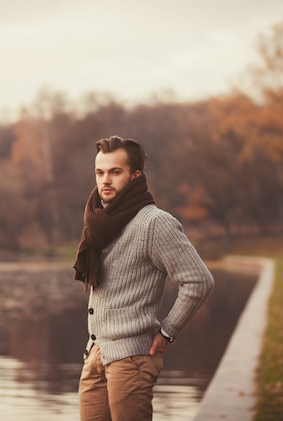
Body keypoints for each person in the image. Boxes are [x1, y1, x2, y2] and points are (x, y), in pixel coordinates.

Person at [73, 135, 214, 421]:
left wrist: (166, 333)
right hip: (96, 353)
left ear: (136, 176)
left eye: (116, 171)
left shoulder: (154, 223)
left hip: (131, 360)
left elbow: (198, 281)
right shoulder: (100, 222)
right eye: (100, 172)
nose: (106, 180)